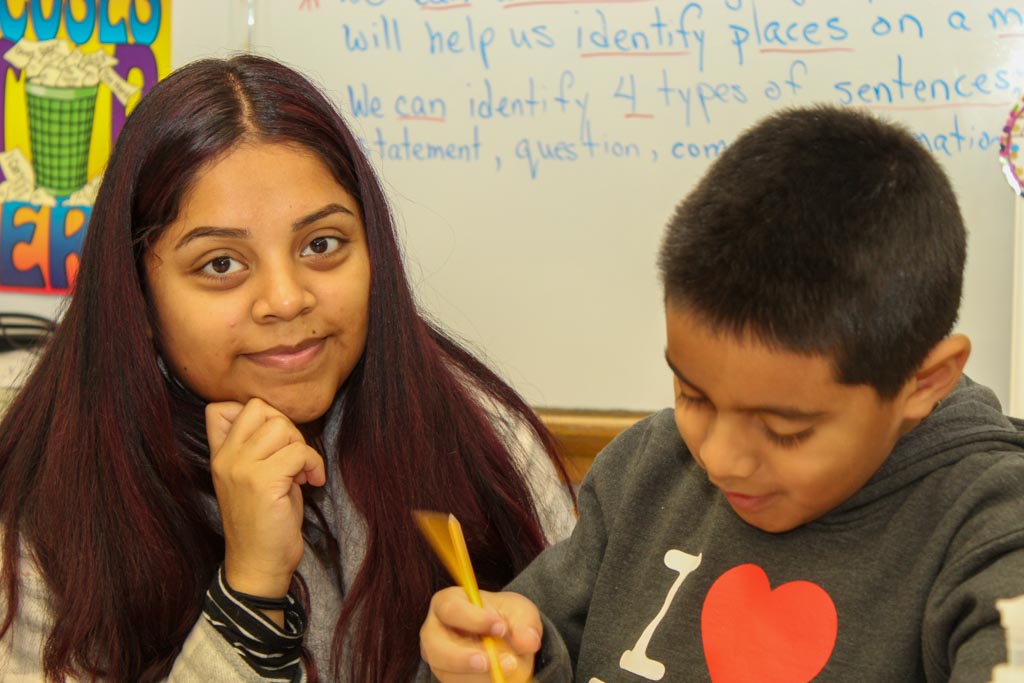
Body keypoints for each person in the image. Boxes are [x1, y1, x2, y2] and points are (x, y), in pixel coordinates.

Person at [0, 54, 576, 682]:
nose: (286, 298)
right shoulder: (46, 491)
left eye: (321, 245)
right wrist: (249, 590)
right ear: (137, 295)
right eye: (221, 264)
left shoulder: (484, 441)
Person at [419, 105, 1024, 682]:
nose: (720, 460)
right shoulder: (646, 471)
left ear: (923, 382)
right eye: (692, 395)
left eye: (785, 430)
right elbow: (524, 644)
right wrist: (491, 663)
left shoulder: (990, 527)